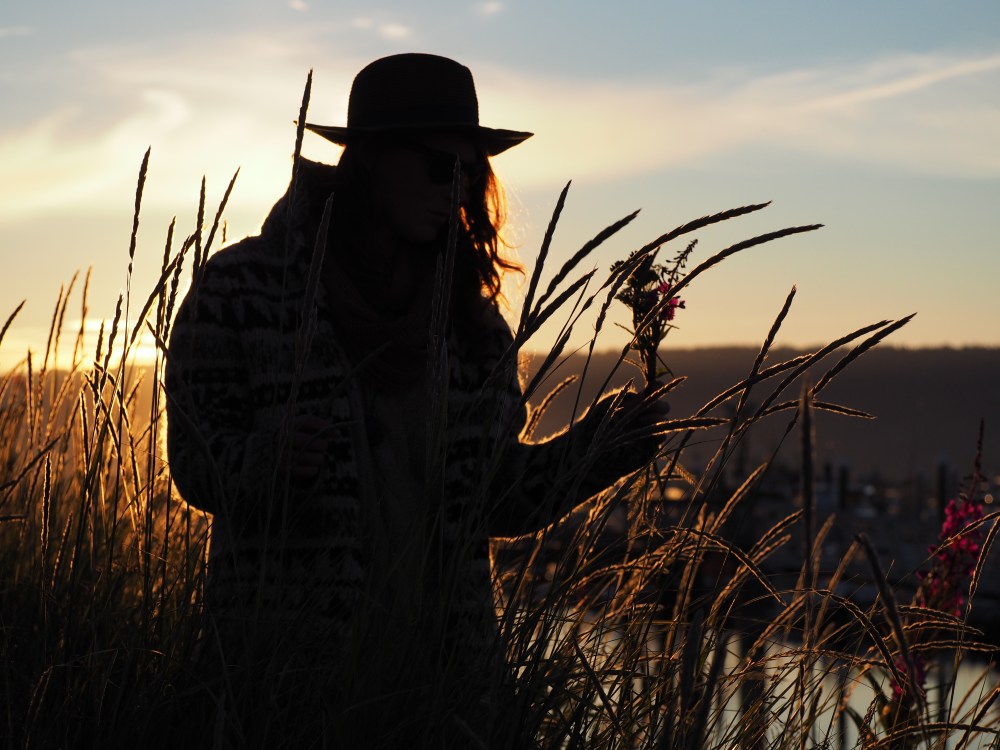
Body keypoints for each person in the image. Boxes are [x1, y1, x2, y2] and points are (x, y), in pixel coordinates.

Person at [165, 53, 666, 747]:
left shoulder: (472, 322)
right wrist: (265, 464)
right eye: (438, 167)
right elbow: (194, 463)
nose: (454, 190)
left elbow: (492, 501)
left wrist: (598, 449)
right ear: (371, 161)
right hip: (282, 690)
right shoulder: (242, 292)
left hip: (444, 696)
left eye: (470, 174)